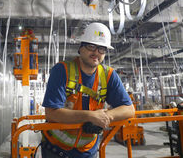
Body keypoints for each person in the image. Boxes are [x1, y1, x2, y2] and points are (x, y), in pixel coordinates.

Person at [41, 22, 135, 158]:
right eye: (91, 46)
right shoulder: (62, 71)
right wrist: (89, 116)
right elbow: (51, 113)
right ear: (81, 48)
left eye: (102, 49)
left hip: (88, 152)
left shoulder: (109, 75)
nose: (96, 52)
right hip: (56, 150)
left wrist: (106, 116)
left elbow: (129, 109)